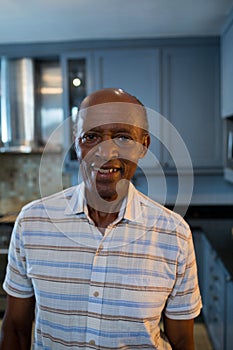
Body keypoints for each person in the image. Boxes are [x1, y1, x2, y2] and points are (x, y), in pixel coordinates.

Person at [0, 88, 202, 350]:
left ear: (144, 146)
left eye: (123, 137)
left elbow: (183, 340)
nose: (106, 152)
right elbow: (15, 329)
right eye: (91, 136)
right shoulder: (31, 223)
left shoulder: (174, 233)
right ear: (76, 143)